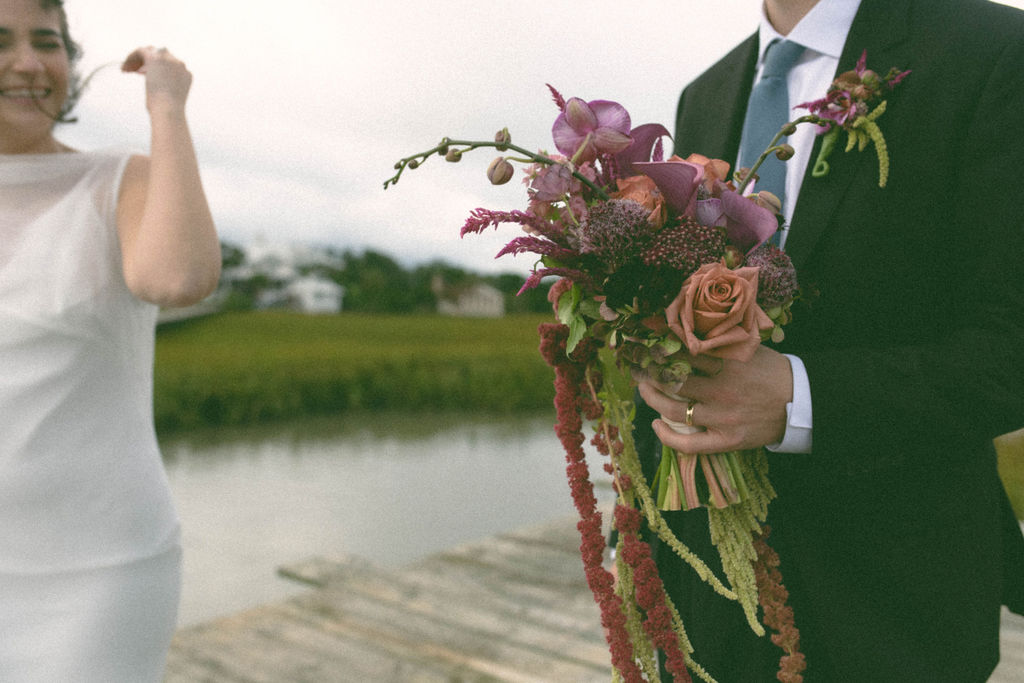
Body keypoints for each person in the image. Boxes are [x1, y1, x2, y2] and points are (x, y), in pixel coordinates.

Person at [634, 0, 1024, 680]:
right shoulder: (706, 93)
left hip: (893, 609)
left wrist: (799, 398)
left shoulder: (994, 50)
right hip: (711, 606)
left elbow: (1010, 346)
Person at [0, 0, 219, 679]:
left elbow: (178, 275)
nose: (30, 63)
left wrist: (166, 108)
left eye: (47, 41)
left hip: (95, 575)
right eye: (2, 41)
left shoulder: (118, 180)